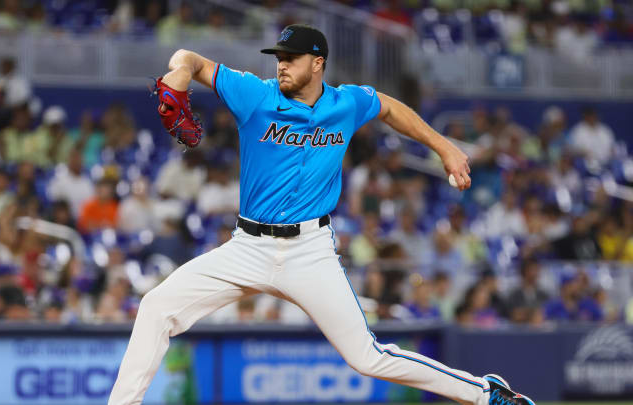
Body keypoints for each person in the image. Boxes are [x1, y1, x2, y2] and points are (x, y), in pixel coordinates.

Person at [108, 24, 534, 405]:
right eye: (278, 58)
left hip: (310, 251)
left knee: (367, 357)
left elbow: (388, 108)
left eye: (290, 59)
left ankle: (484, 394)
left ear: (318, 63)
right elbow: (193, 60)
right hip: (247, 247)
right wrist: (180, 71)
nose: (281, 66)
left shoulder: (346, 103)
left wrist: (444, 147)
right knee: (155, 307)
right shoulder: (255, 95)